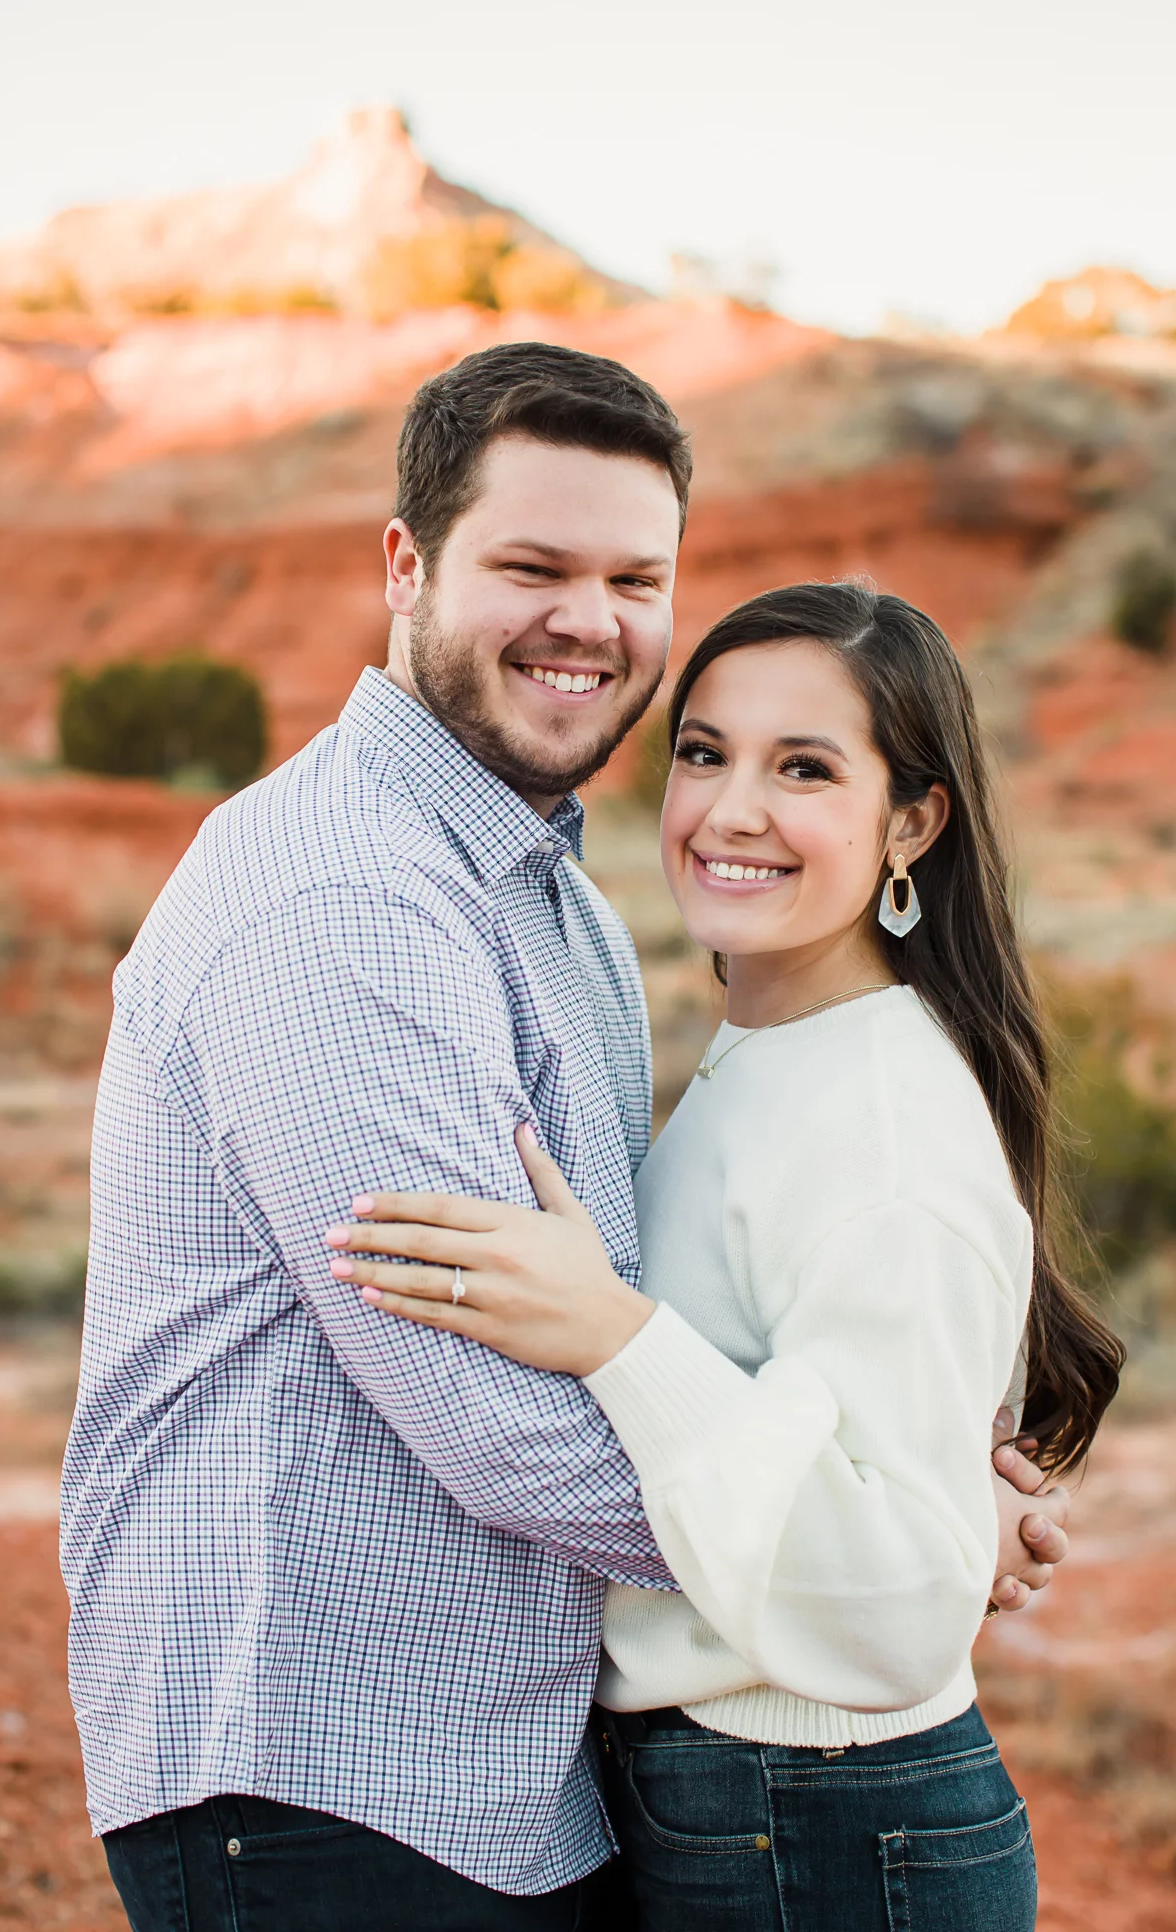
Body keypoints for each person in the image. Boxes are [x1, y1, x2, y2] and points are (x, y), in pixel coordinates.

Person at [62, 344, 1070, 1931]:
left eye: (633, 576)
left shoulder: (561, 911)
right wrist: (876, 1539)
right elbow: (490, 1414)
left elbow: (660, 1319)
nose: (588, 620)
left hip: (506, 1776)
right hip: (328, 1770)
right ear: (405, 565)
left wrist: (897, 1493)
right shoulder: (348, 903)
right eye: (531, 565)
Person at [327, 580, 1123, 1929]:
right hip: (756, 1801)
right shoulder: (779, 1056)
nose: (731, 809)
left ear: (912, 823)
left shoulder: (882, 1115)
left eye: (803, 768)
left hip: (819, 1817)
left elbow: (890, 1608)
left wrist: (619, 1340)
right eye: (704, 752)